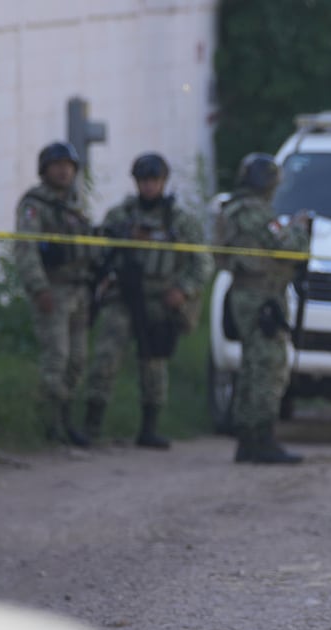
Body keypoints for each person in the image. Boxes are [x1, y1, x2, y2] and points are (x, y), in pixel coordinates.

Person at [87, 152, 214, 448]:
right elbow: (98, 251)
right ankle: (92, 425)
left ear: (163, 182)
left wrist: (183, 289)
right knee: (107, 355)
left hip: (160, 297)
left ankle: (150, 427)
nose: (148, 187)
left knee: (154, 362)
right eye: (143, 181)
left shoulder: (180, 221)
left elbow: (202, 263)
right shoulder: (121, 215)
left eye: (154, 181)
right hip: (124, 295)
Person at [217, 152, 312, 463]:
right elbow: (288, 246)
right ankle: (261, 438)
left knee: (253, 365)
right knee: (267, 367)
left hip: (249, 293)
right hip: (259, 296)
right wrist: (299, 228)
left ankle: (249, 437)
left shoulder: (233, 208)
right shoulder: (254, 212)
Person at [14, 141, 94, 446]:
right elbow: (26, 249)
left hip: (79, 290)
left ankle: (65, 418)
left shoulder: (75, 205)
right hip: (54, 290)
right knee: (56, 359)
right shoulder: (35, 205)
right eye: (57, 165)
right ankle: (52, 425)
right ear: (45, 170)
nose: (63, 171)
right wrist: (39, 288)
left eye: (68, 165)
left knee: (77, 361)